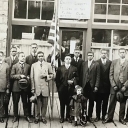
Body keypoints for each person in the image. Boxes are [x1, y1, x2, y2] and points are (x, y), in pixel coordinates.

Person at [103, 48, 128, 125]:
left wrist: (125, 86)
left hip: (124, 87)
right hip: (115, 86)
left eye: (123, 52)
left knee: (123, 103)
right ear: (118, 53)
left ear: (126, 53)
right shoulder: (114, 62)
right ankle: (109, 117)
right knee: (112, 102)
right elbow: (110, 75)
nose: (122, 54)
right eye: (120, 52)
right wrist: (113, 85)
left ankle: (121, 118)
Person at [30, 51, 53, 124]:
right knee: (37, 103)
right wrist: (33, 88)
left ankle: (43, 117)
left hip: (45, 87)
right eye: (39, 56)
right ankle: (36, 117)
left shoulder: (48, 65)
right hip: (37, 87)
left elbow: (52, 75)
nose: (41, 57)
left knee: (45, 104)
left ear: (44, 56)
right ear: (37, 57)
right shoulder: (33, 65)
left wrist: (46, 76)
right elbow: (32, 77)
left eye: (42, 56)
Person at [56, 54, 78, 123]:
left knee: (69, 103)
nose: (68, 60)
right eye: (66, 59)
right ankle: (62, 117)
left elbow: (77, 77)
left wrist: (73, 82)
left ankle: (68, 116)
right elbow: (57, 79)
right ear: (64, 60)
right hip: (62, 89)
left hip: (70, 89)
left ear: (71, 60)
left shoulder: (74, 68)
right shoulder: (60, 68)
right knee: (62, 103)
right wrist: (59, 87)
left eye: (69, 59)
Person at [11, 52, 32, 123]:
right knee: (15, 102)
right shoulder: (14, 66)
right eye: (21, 56)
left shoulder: (28, 66)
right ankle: (15, 116)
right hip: (16, 87)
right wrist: (19, 76)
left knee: (25, 102)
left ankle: (27, 116)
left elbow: (30, 75)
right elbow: (11, 76)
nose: (23, 57)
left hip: (25, 87)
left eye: (24, 56)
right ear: (18, 57)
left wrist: (28, 77)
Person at [80, 51, 100, 123]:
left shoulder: (96, 64)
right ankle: (83, 115)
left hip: (92, 85)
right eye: (88, 55)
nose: (90, 56)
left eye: (91, 55)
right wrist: (81, 86)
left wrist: (96, 86)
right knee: (83, 101)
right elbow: (81, 75)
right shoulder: (84, 64)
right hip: (85, 85)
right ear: (87, 56)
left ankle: (89, 116)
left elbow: (98, 76)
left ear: (93, 56)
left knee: (91, 101)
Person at [95, 49, 111, 122]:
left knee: (105, 102)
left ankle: (103, 116)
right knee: (98, 102)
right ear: (100, 54)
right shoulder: (96, 62)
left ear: (107, 54)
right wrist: (96, 85)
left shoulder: (110, 62)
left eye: (105, 53)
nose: (104, 54)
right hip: (99, 86)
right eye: (102, 53)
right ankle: (97, 116)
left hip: (107, 86)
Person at [4, 46, 19, 117]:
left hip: (15, 82)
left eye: (15, 51)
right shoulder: (6, 59)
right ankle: (5, 113)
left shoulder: (18, 59)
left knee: (15, 99)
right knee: (6, 98)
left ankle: (15, 114)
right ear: (10, 52)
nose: (14, 52)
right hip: (7, 81)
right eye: (12, 51)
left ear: (16, 52)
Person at [26, 43, 38, 117]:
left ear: (37, 48)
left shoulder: (39, 57)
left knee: (37, 97)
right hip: (29, 81)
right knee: (29, 97)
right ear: (31, 48)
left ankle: (35, 113)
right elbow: (26, 68)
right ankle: (28, 114)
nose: (34, 49)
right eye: (33, 47)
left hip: (37, 81)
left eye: (35, 47)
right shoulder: (27, 58)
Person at [0, 51, 10, 123]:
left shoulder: (6, 65)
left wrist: (7, 87)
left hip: (2, 86)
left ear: (3, 57)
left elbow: (8, 77)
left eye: (1, 56)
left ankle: (1, 116)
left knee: (2, 102)